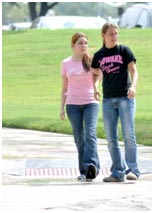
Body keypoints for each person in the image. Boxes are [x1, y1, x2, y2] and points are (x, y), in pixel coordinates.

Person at [91, 23, 140, 182]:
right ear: (103, 35)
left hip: (126, 98)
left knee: (128, 135)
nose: (114, 36)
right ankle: (117, 172)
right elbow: (95, 74)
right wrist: (95, 88)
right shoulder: (99, 55)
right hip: (108, 100)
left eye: (116, 33)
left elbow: (134, 71)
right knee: (111, 138)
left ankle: (133, 170)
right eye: (111, 34)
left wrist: (133, 86)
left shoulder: (124, 50)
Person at [60, 32, 100, 182]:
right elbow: (64, 88)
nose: (83, 46)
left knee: (90, 134)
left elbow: (97, 76)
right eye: (80, 43)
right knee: (79, 138)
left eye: (85, 43)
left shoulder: (92, 60)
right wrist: (61, 108)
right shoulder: (66, 63)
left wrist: (96, 88)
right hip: (72, 104)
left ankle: (91, 165)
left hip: (90, 102)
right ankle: (84, 171)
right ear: (73, 45)